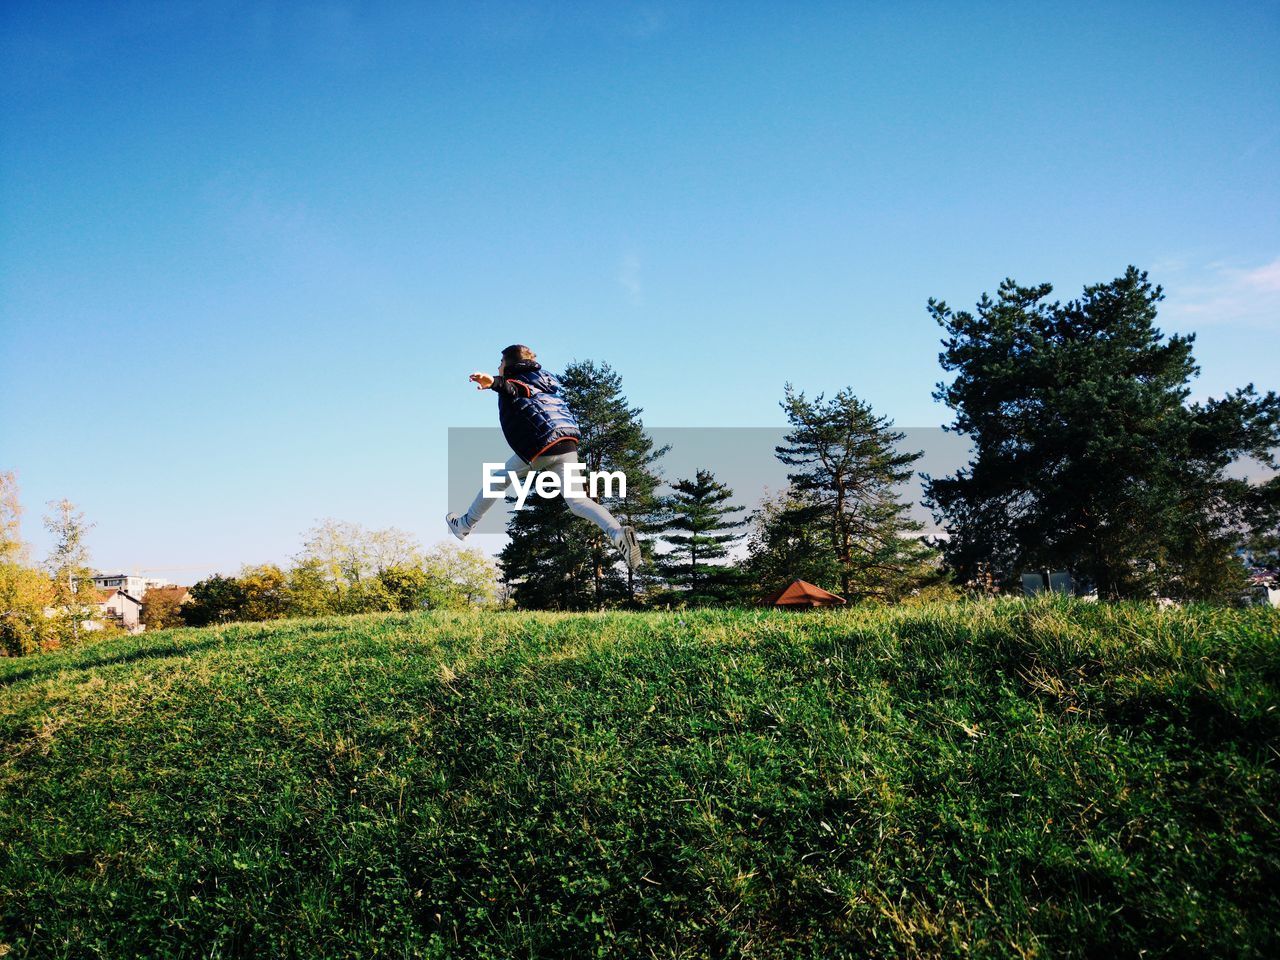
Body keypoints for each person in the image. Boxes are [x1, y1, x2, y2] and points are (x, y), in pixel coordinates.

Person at [446, 344, 643, 572]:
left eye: (500, 364)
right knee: (578, 501)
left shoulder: (518, 380)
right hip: (566, 442)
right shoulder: (543, 379)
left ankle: (465, 525)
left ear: (509, 365)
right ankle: (617, 532)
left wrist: (494, 383)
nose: (498, 367)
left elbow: (514, 390)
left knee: (497, 481)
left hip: (541, 445)